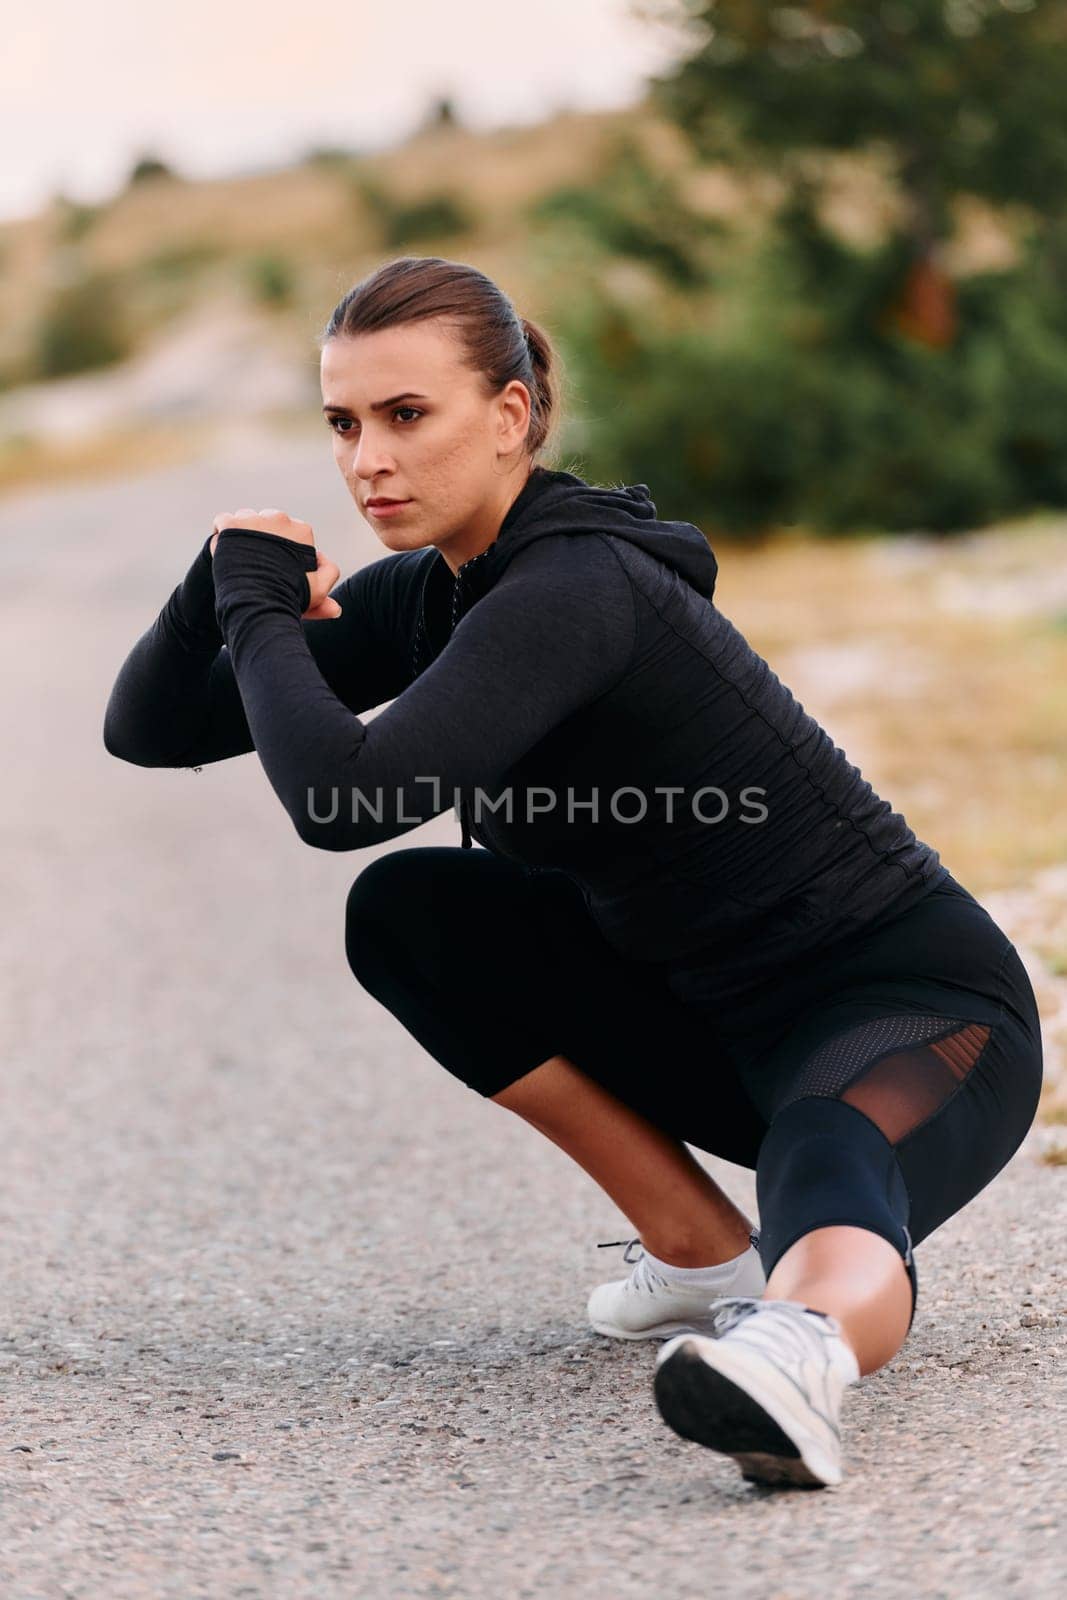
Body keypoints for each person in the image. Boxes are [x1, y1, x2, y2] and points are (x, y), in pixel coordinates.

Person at [103, 254, 1044, 1490]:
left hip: (906, 1010)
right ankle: (701, 1255)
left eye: (404, 416)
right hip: (709, 1013)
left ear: (508, 417)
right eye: (341, 423)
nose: (364, 460)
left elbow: (345, 798)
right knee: (413, 912)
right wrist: (212, 591)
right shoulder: (435, 594)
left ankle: (801, 1355)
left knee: (823, 1150)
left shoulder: (576, 587)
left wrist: (260, 615)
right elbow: (152, 731)